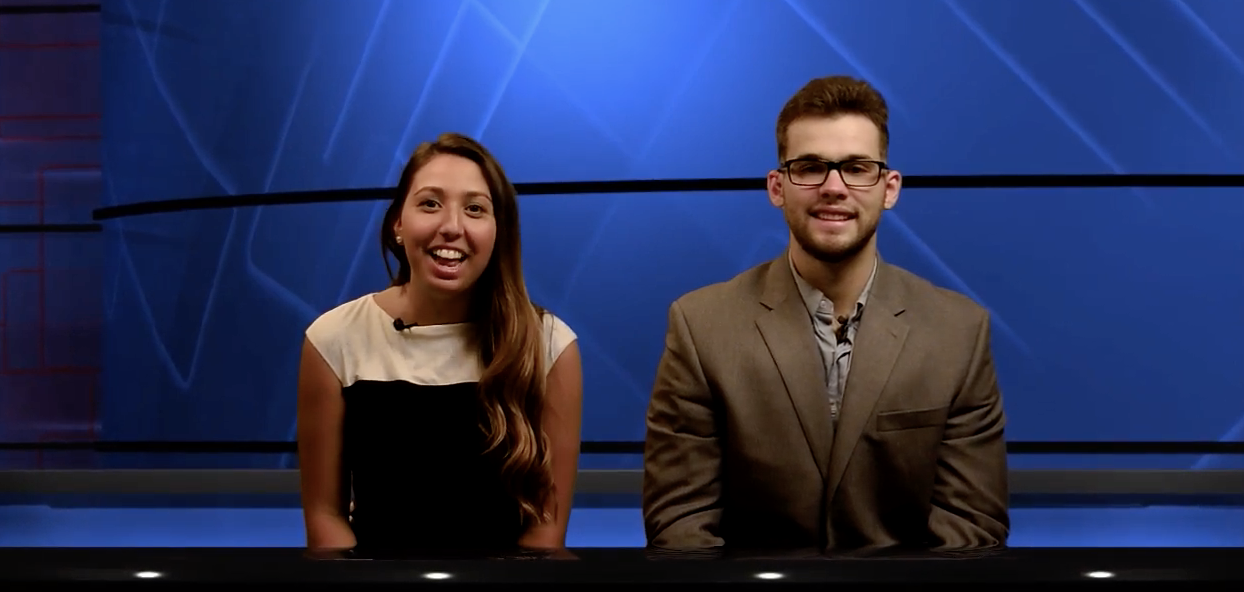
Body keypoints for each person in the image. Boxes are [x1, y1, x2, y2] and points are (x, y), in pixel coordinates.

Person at [642, 76, 1009, 552]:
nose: (834, 188)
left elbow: (971, 525)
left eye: (857, 168)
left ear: (889, 188)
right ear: (777, 187)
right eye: (810, 167)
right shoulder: (701, 326)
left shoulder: (959, 331)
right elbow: (681, 524)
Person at [297, 133, 582, 553]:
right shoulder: (333, 339)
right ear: (398, 223)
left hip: (509, 591)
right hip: (372, 589)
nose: (451, 227)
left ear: (499, 232)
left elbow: (545, 532)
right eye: (430, 204)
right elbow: (326, 518)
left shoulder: (550, 346)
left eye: (474, 209)